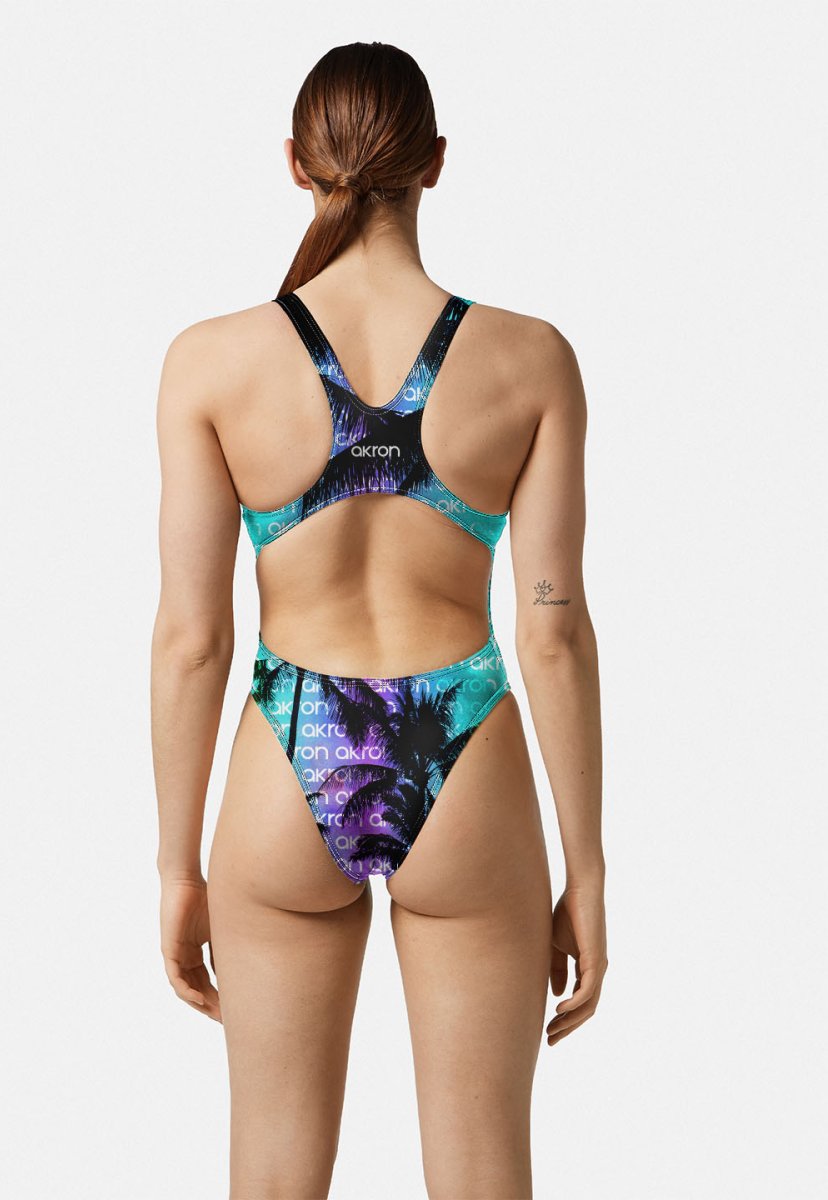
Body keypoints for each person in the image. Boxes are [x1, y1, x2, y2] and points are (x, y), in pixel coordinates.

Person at [151, 40, 607, 1199]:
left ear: (296, 163)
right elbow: (552, 628)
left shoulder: (212, 363)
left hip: (287, 750)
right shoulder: (530, 360)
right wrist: (589, 868)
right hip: (467, 750)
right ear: (435, 162)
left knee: (272, 1174)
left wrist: (174, 864)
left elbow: (193, 641)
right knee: (485, 1172)